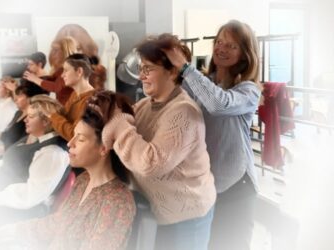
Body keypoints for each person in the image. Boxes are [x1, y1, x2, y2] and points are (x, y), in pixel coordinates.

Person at [101, 34, 216, 250]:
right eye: (141, 68)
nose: (141, 76)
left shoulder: (184, 113)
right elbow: (122, 133)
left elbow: (151, 163)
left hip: (186, 219)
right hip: (157, 212)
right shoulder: (145, 105)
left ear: (172, 71)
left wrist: (117, 123)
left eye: (149, 69)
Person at [0, 90, 136, 250]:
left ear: (104, 148)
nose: (70, 143)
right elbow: (59, 222)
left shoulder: (117, 202)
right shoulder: (83, 180)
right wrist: (11, 231)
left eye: (81, 139)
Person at [163, 19, 261, 250]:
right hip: (207, 185)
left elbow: (218, 104)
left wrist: (186, 68)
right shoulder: (202, 83)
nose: (221, 48)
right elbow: (170, 98)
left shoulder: (249, 90)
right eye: (219, 42)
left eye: (231, 45)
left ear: (246, 55)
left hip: (237, 185)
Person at [0, 94, 70, 229]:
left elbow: (32, 195)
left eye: (31, 116)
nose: (25, 119)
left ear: (47, 121)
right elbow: (6, 164)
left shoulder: (53, 152)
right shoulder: (34, 138)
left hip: (15, 209)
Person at [0, 82, 48, 168]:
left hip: (12, 150)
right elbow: (7, 132)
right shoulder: (18, 113)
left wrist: (0, 147)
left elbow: (22, 142)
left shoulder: (31, 121)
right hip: (6, 145)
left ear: (29, 98)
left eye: (20, 96)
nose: (16, 99)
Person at [43, 53, 105, 142]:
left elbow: (75, 135)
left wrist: (52, 116)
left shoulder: (92, 101)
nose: (62, 75)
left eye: (66, 70)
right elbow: (64, 117)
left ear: (79, 71)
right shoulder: (74, 95)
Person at [23, 36, 78, 105]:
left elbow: (56, 87)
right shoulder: (60, 69)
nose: (52, 53)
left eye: (56, 50)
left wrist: (35, 79)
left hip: (70, 107)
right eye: (52, 50)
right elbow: (51, 80)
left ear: (65, 51)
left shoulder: (70, 68)